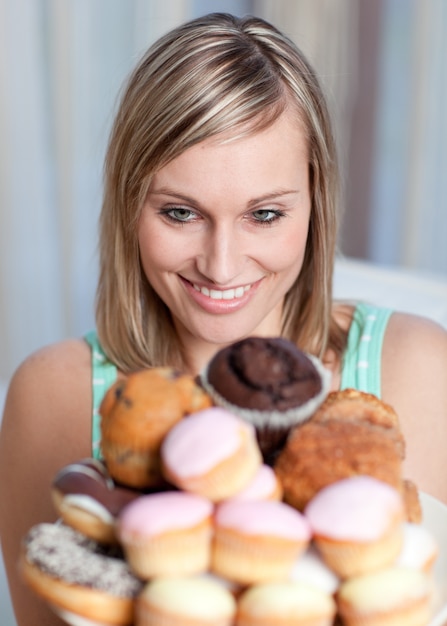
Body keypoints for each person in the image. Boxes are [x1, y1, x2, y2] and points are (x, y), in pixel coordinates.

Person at [0, 12, 446, 626]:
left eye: (264, 215)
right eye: (181, 212)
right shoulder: (54, 394)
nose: (221, 264)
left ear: (316, 202)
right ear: (129, 204)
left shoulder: (416, 368)